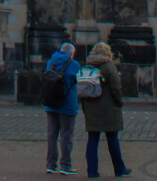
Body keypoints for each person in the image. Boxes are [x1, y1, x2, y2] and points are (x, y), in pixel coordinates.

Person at [80, 42, 129, 178]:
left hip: (91, 108)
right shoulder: (109, 66)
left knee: (92, 139)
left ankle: (92, 171)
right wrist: (119, 102)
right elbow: (116, 88)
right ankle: (119, 169)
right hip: (108, 110)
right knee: (112, 139)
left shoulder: (87, 66)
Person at [42, 42, 80, 175]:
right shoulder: (74, 64)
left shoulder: (50, 62)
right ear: (71, 53)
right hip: (67, 104)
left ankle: (51, 165)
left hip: (51, 102)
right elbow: (79, 80)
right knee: (66, 135)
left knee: (52, 135)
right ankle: (65, 165)